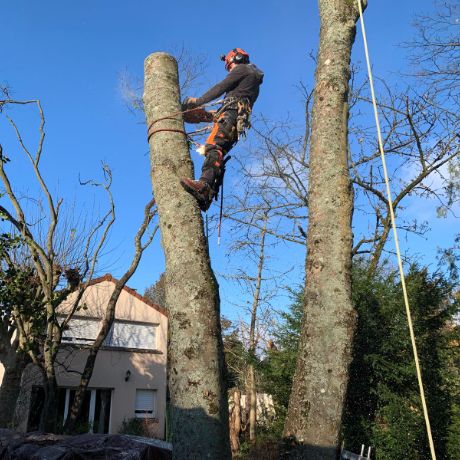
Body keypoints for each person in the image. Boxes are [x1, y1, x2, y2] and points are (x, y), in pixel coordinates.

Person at [180, 48, 264, 211]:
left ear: (237, 59)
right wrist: (207, 115)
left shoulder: (243, 69)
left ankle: (204, 187)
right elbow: (234, 103)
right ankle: (208, 194)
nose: (230, 69)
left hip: (231, 115)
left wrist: (199, 101)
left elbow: (221, 87)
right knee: (218, 150)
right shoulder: (252, 81)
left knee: (214, 147)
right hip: (235, 119)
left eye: (230, 66)